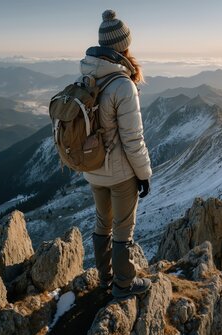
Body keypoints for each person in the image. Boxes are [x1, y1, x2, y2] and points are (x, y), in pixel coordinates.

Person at [79, 9, 152, 299]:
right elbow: (133, 139)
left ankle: (104, 280)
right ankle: (124, 285)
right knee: (123, 230)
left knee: (102, 223)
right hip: (121, 174)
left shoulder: (87, 75)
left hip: (93, 169)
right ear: (124, 45)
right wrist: (144, 175)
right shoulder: (123, 84)